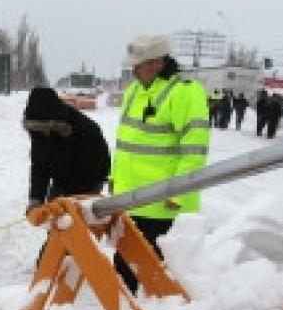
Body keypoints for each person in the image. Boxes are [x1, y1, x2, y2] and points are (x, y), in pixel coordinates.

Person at [112, 34, 211, 293]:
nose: (134, 70)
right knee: (124, 275)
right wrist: (115, 180)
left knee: (157, 284)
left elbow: (194, 150)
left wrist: (176, 193)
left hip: (162, 208)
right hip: (130, 201)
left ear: (158, 63)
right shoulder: (134, 91)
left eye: (139, 64)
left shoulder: (185, 92)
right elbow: (127, 144)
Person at [24, 86, 111, 211]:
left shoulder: (84, 130)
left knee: (76, 217)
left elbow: (94, 168)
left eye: (44, 127)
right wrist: (36, 199)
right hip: (62, 179)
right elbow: (39, 166)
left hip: (90, 179)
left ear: (53, 120)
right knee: (53, 215)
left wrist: (69, 201)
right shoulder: (39, 134)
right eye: (37, 128)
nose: (42, 132)